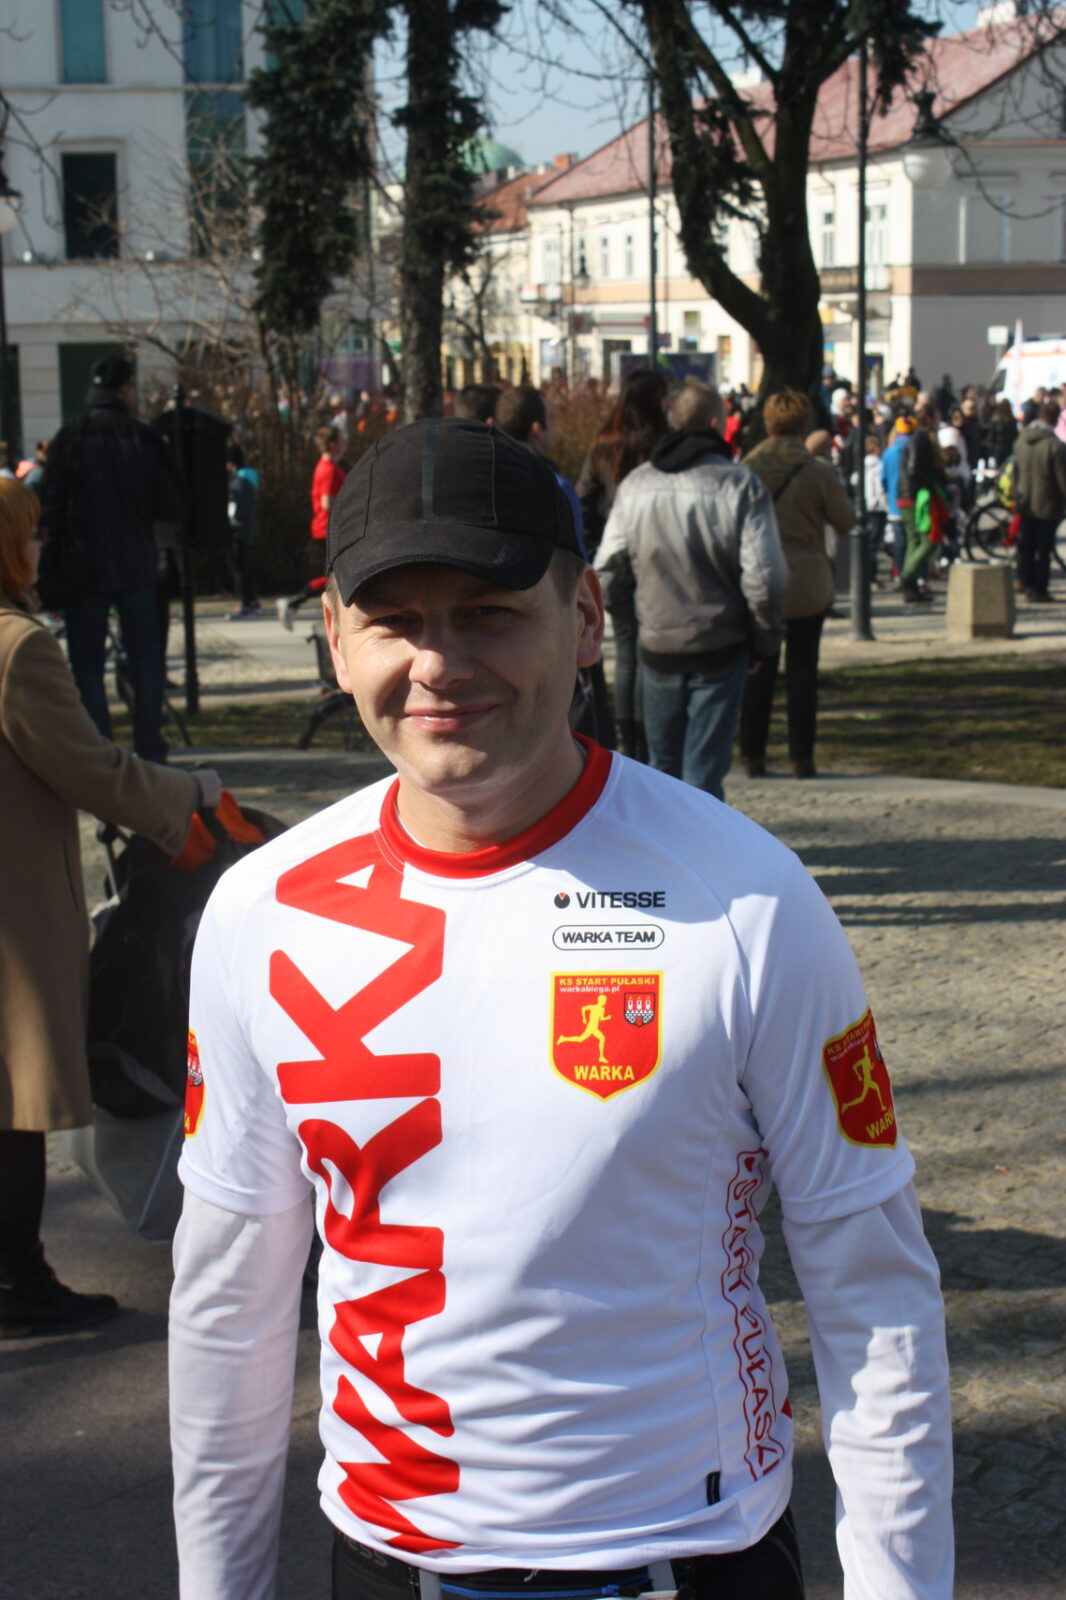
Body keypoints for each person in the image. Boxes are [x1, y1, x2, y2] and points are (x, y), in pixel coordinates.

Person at [168, 416, 952, 1600]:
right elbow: (228, 1304)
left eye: (488, 612)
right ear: (334, 639)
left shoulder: (746, 897)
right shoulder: (260, 912)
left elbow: (874, 1289)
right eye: (394, 620)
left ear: (585, 618)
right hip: (385, 1561)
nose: (438, 663)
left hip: (686, 1557)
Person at [0, 478, 217, 1338]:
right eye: (30, 532)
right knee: (17, 1092)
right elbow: (90, 769)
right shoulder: (17, 647)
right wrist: (189, 794)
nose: (41, 545)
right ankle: (16, 1276)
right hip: (13, 907)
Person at [594, 382, 786, 800]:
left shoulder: (636, 485)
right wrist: (764, 639)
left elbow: (606, 568)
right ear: (717, 423)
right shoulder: (740, 486)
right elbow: (766, 578)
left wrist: (637, 617)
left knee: (659, 771)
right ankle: (699, 841)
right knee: (704, 775)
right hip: (721, 643)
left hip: (659, 641)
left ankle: (660, 841)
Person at [38, 354, 185, 763]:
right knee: (146, 661)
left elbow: (50, 503)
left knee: (87, 665)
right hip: (136, 564)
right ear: (124, 391)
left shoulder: (72, 436)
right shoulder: (144, 438)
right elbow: (173, 504)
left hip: (83, 567)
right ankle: (150, 749)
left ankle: (99, 752)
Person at [737, 389, 855, 781]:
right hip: (807, 580)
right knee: (804, 671)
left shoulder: (746, 468)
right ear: (804, 425)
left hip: (759, 577)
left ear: (767, 423)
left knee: (759, 671)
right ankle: (801, 757)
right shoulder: (817, 470)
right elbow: (845, 520)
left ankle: (752, 754)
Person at [575, 369, 668, 758]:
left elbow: (583, 497)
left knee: (627, 650)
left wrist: (594, 540)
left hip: (614, 556)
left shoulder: (605, 444)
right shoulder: (662, 444)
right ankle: (644, 731)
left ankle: (630, 733)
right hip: (655, 555)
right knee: (648, 651)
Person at [277, 426, 348, 630]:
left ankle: (297, 603)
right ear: (332, 444)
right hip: (327, 528)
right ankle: (294, 602)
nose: (344, 445)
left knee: (334, 575)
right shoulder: (328, 469)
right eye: (340, 441)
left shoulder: (329, 467)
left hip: (328, 527)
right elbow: (327, 502)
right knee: (334, 576)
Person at [1013, 398, 1066, 602]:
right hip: (1047, 504)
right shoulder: (1055, 446)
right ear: (1054, 420)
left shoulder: (1021, 440)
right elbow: (1063, 479)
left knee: (1026, 544)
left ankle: (1023, 579)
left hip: (1025, 500)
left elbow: (1015, 471)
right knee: (1043, 550)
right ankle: (1039, 589)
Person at [896, 403, 944, 603]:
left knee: (914, 540)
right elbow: (914, 468)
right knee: (928, 539)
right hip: (915, 496)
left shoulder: (917, 438)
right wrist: (932, 485)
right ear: (930, 419)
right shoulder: (921, 438)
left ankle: (911, 584)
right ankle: (908, 577)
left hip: (907, 494)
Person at [224, 443, 260, 620]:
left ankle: (247, 604)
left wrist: (229, 524)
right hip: (246, 529)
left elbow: (234, 508)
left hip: (237, 531)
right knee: (244, 567)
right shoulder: (248, 480)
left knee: (238, 568)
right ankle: (252, 602)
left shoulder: (238, 482)